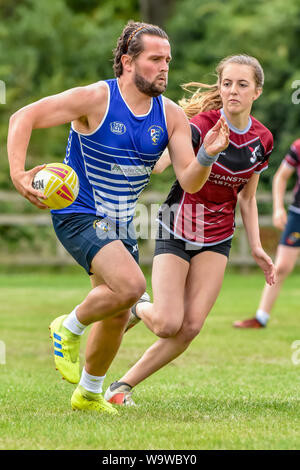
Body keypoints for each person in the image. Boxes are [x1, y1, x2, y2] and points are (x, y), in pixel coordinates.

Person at [7, 21, 230, 414]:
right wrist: (18, 173)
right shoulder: (96, 98)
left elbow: (190, 183)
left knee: (118, 314)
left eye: (168, 60)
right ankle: (69, 326)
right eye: (155, 59)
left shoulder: (172, 116)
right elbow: (21, 117)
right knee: (130, 286)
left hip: (122, 221)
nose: (165, 67)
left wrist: (207, 155)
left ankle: (89, 394)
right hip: (78, 210)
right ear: (128, 61)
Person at [103, 54, 276, 407]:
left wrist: (256, 246)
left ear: (256, 91)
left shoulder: (262, 139)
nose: (233, 91)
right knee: (168, 323)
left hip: (217, 238)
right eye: (227, 83)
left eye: (242, 85)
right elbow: (165, 161)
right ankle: (139, 308)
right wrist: (145, 155)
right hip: (177, 227)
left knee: (191, 327)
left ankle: (120, 388)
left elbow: (248, 198)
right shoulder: (200, 125)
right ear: (219, 86)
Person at [234, 139, 300, 328]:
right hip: (297, 215)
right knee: (281, 267)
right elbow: (280, 177)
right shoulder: (297, 147)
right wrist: (278, 208)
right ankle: (261, 317)